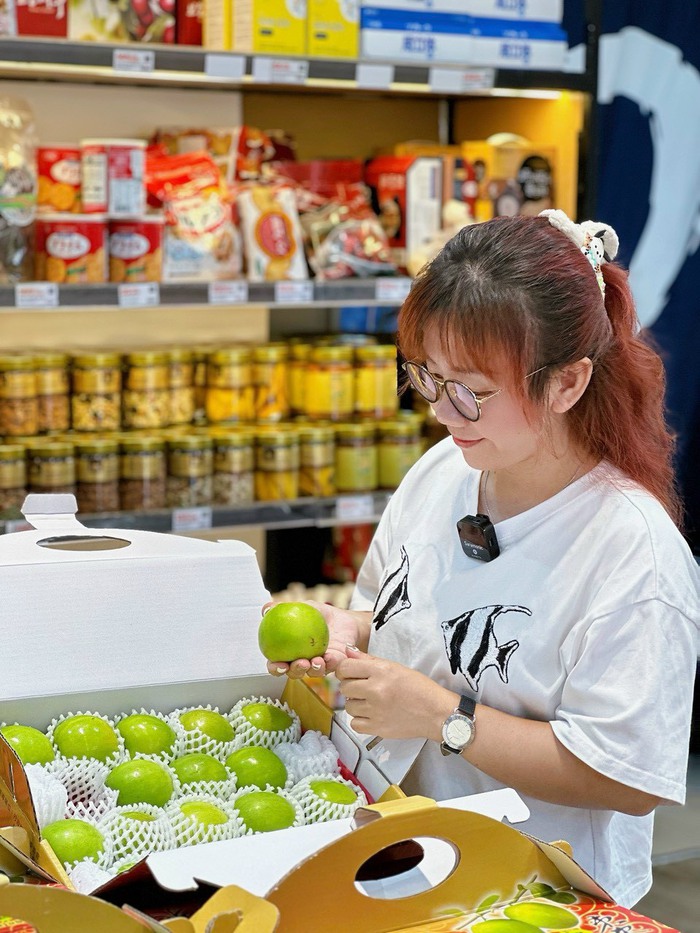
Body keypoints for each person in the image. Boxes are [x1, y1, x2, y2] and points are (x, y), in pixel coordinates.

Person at [266, 209, 700, 907]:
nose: (443, 409)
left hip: (530, 896)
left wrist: (443, 715)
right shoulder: (443, 468)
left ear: (567, 382)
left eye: (472, 389)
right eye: (426, 377)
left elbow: (628, 774)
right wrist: (350, 628)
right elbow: (395, 611)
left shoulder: (632, 552)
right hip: (403, 859)